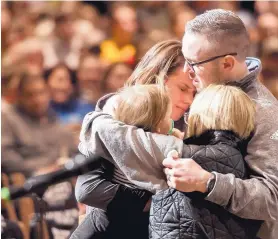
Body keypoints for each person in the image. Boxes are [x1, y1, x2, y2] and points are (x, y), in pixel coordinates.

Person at [77, 84, 261, 238]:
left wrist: (100, 115)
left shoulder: (193, 155)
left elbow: (109, 135)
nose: (186, 109)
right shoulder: (241, 158)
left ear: (204, 115)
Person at [163, 9, 278, 239]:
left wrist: (207, 181)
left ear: (227, 63)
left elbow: (272, 199)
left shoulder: (265, 112)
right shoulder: (200, 84)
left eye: (193, 62)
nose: (186, 71)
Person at [72, 40, 195, 239]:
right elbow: (90, 189)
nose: (189, 100)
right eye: (182, 88)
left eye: (193, 92)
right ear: (158, 78)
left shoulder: (186, 122)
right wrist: (152, 202)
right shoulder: (118, 110)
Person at [1, 72, 77, 177]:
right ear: (20, 97)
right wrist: (35, 171)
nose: (38, 100)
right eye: (30, 95)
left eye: (41, 93)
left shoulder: (52, 117)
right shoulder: (9, 117)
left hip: (59, 175)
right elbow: (5, 155)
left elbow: (70, 148)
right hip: (28, 180)